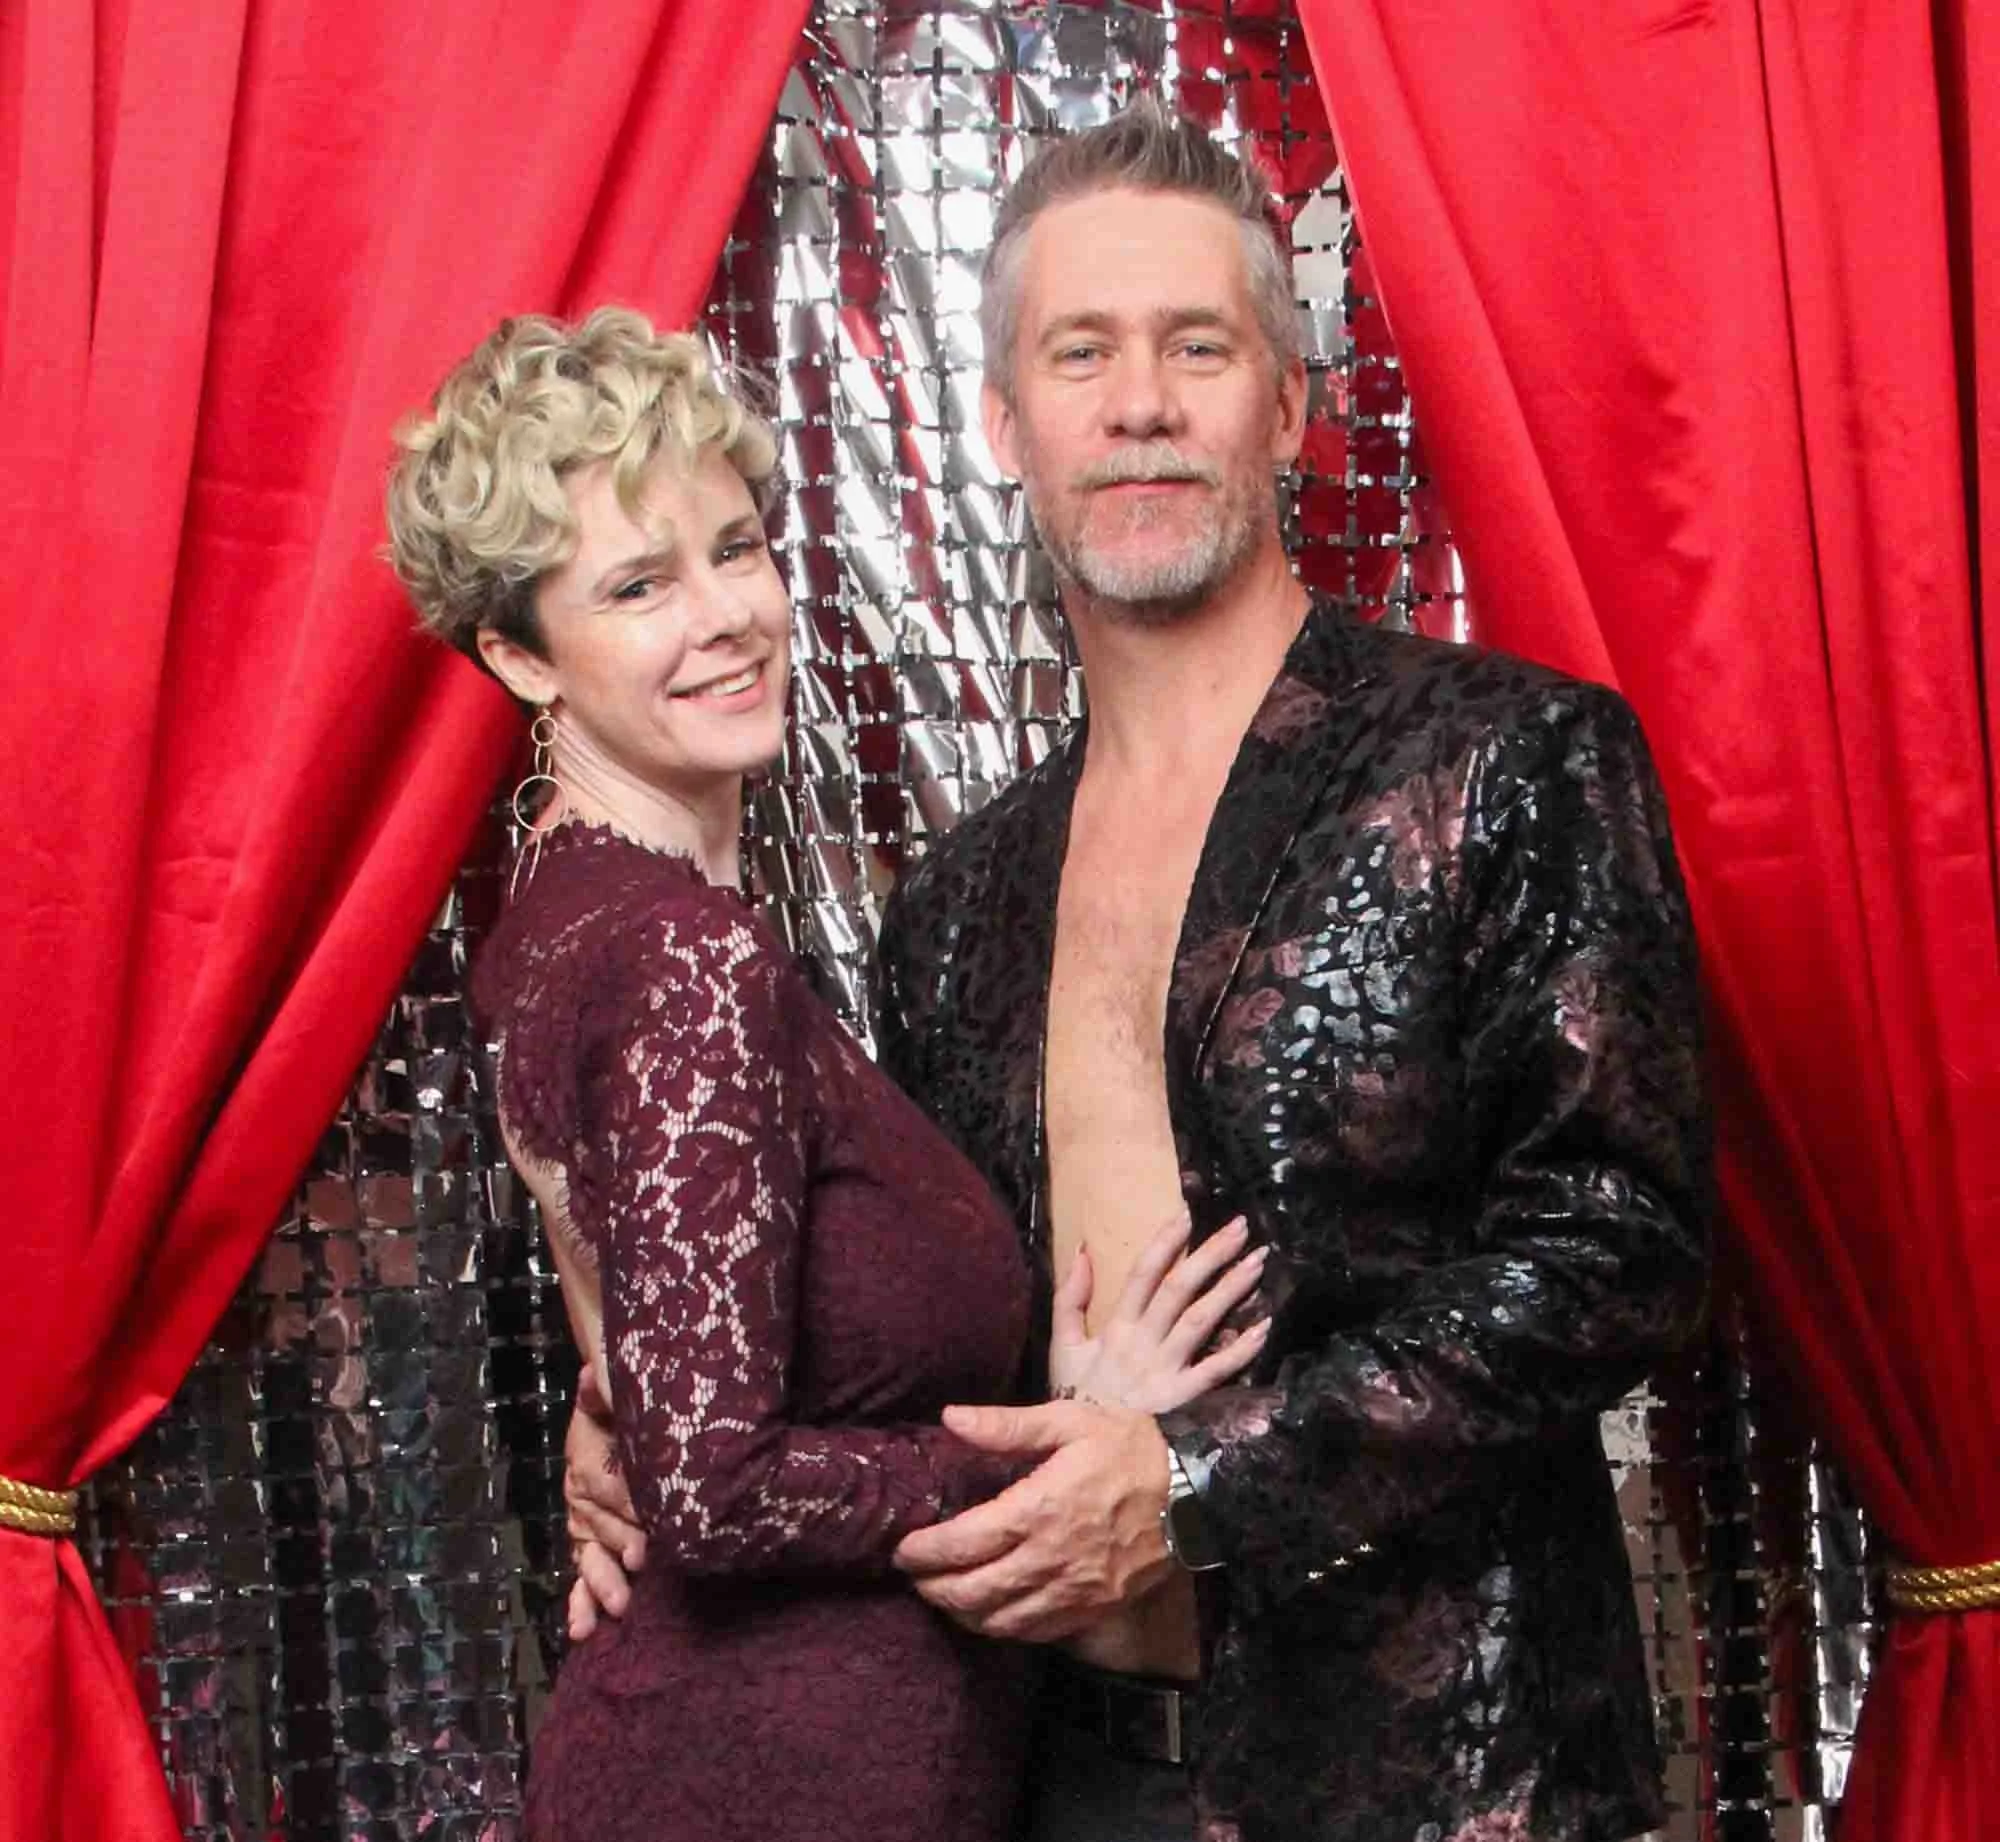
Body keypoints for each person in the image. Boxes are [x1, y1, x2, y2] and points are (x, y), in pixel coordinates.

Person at [567, 100, 1712, 1842]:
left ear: (1292, 403)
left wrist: (1196, 1488)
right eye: (1081, 351)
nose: (1143, 403)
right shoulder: (959, 901)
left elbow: (1623, 1249)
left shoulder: (1501, 762)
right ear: (1006, 425)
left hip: (1436, 1782)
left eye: (1200, 345)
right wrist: (642, 1411)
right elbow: (889, 1310)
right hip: (1049, 1775)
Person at [383, 307, 1268, 1842]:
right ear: (520, 654)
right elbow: (717, 1485)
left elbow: (668, 1395)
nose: (727, 613)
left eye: (735, 547)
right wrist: (1061, 1439)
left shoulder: (564, 920)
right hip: (768, 1776)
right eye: (639, 585)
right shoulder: (680, 961)